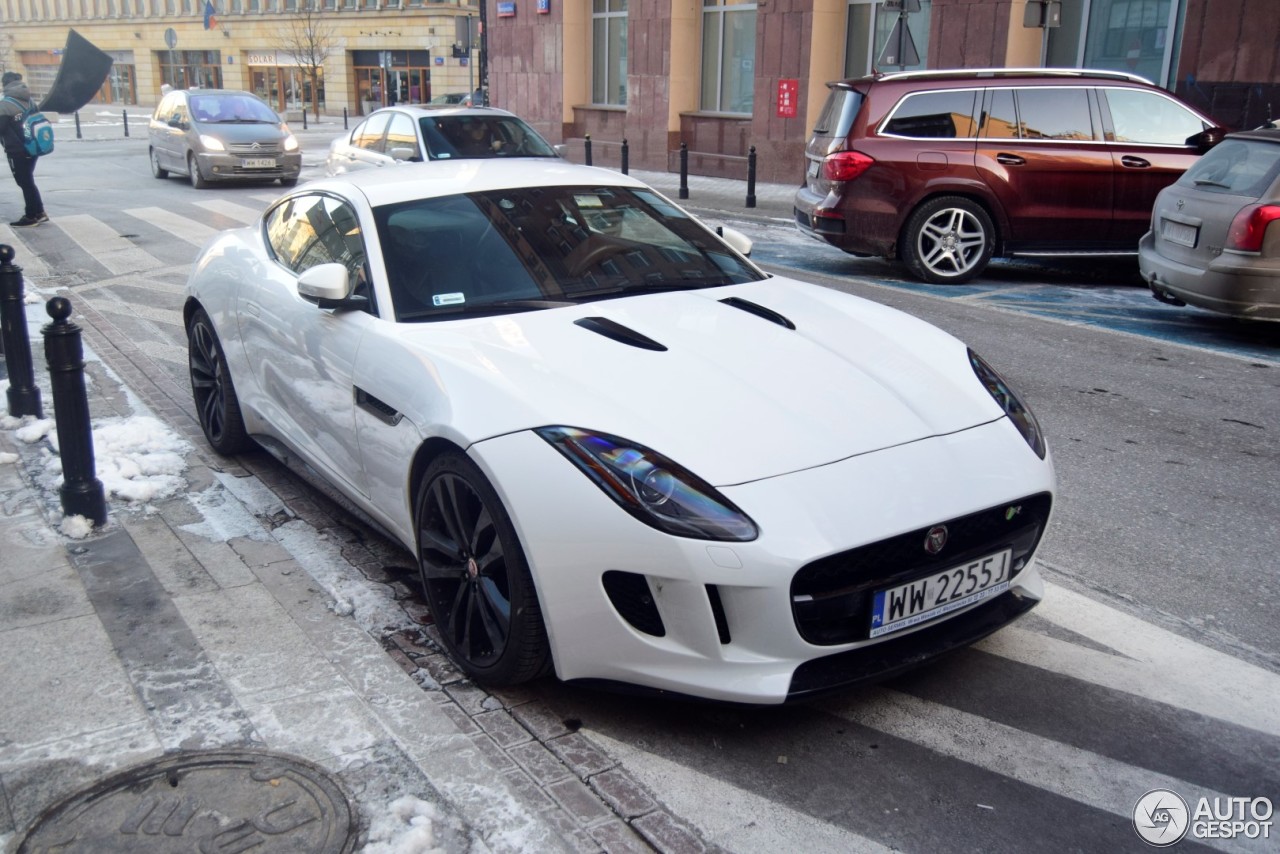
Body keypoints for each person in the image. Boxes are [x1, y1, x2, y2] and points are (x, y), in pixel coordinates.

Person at [0, 71, 48, 228]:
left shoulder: (5, 105)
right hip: (32, 147)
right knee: (28, 180)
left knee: (24, 182)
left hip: (16, 150)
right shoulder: (29, 100)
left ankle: (31, 215)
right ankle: (39, 212)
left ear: (5, 84)